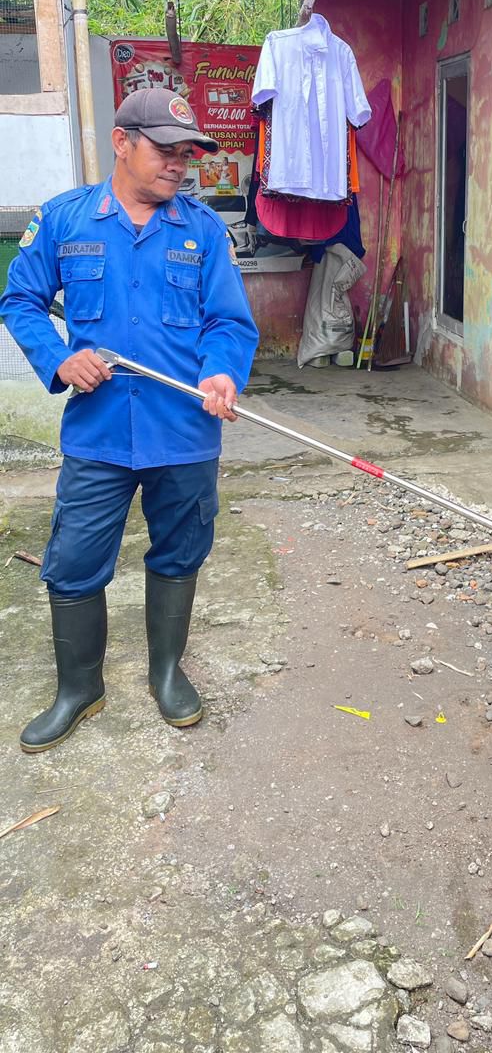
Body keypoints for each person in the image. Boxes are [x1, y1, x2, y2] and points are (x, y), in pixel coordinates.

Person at [0, 88, 259, 753]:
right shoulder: (65, 220)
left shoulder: (201, 230)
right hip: (99, 433)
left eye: (187, 153)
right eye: (164, 150)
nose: (179, 164)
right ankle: (78, 688)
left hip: (184, 432)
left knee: (179, 554)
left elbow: (228, 322)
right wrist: (60, 362)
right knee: (74, 562)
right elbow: (21, 299)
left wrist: (222, 370)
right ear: (122, 142)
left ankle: (167, 672)